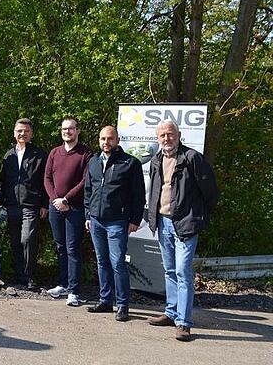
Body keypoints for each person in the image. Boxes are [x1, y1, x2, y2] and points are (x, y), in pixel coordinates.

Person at [146, 119, 218, 342]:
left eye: (170, 134)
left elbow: (211, 192)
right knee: (169, 271)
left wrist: (197, 218)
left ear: (179, 134)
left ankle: (183, 323)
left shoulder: (192, 158)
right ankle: (171, 312)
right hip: (163, 223)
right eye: (162, 136)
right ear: (158, 138)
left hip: (185, 224)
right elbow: (155, 192)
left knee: (182, 272)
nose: (166, 139)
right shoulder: (156, 160)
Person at [84, 126, 145, 322]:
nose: (106, 142)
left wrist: (135, 219)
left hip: (117, 221)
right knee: (102, 262)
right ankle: (105, 301)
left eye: (110, 138)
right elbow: (88, 190)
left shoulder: (130, 163)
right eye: (102, 138)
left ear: (117, 140)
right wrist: (88, 214)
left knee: (118, 263)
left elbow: (138, 194)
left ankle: (123, 305)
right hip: (96, 220)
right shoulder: (93, 162)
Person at [43, 116, 93, 306]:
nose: (67, 132)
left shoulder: (86, 154)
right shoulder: (55, 152)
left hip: (75, 208)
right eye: (64, 129)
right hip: (55, 206)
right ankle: (63, 285)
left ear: (78, 131)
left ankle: (74, 290)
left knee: (73, 248)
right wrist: (55, 199)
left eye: (71, 129)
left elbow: (85, 180)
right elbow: (47, 178)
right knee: (60, 247)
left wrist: (66, 199)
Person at [0, 118, 48, 289]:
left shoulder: (40, 154)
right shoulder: (9, 155)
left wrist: (45, 204)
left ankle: (29, 276)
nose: (22, 134)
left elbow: (45, 181)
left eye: (26, 131)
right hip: (12, 204)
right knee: (14, 241)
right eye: (19, 131)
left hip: (31, 204)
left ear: (31, 134)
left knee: (27, 239)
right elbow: (3, 180)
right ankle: (20, 276)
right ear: (14, 133)